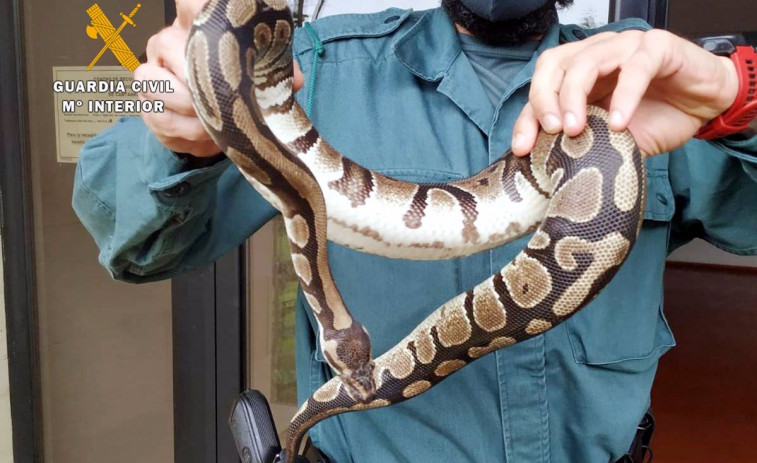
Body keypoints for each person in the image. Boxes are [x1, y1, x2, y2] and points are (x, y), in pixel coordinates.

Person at [73, 0, 757, 462]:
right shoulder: (314, 72)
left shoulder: (641, 85)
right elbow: (132, 238)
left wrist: (737, 96)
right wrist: (182, 139)